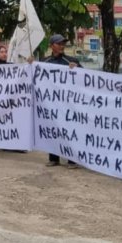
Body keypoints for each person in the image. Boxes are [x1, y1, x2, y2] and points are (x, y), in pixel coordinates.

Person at [43, 34, 80, 168]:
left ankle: (72, 160)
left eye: (63, 43)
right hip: (51, 104)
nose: (62, 46)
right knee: (53, 130)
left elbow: (84, 78)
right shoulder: (44, 62)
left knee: (70, 131)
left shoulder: (71, 61)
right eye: (59, 44)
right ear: (52, 46)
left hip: (69, 103)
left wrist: (76, 69)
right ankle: (53, 158)